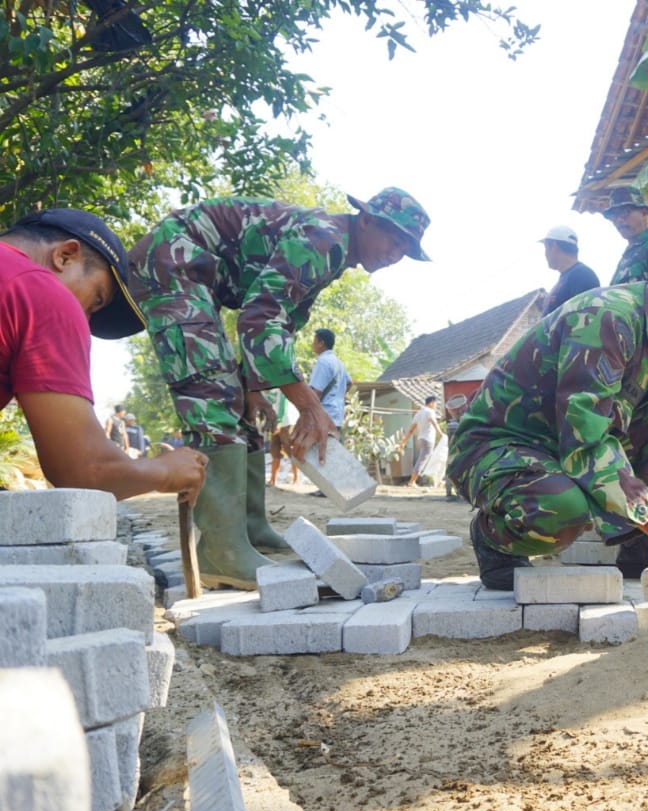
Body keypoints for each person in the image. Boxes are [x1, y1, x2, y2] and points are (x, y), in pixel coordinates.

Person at [128, 187, 429, 588]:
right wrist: (310, 406)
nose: (395, 254)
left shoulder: (333, 250)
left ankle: (249, 528)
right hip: (172, 263)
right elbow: (259, 319)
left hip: (198, 276)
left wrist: (253, 385)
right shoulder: (322, 239)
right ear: (367, 219)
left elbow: (280, 322)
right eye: (393, 239)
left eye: (404, 250)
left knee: (244, 404)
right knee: (213, 394)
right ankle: (222, 550)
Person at [447, 252, 648, 593]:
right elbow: (586, 443)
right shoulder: (607, 319)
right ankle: (494, 540)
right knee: (561, 510)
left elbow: (618, 430)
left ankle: (642, 544)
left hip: (561, 450)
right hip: (496, 448)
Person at [0, 208, 206, 502]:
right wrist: (165, 471)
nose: (83, 321)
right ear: (66, 256)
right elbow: (83, 470)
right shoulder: (40, 292)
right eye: (95, 301)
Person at [601, 186, 648, 286]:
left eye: (624, 212)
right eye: (614, 216)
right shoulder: (628, 255)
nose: (619, 220)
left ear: (643, 213)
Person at [540, 225, 600, 316]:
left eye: (545, 248)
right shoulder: (568, 277)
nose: (545, 254)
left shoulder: (582, 275)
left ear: (554, 247)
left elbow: (587, 319)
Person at [308, 328, 351, 433]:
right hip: (336, 417)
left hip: (323, 417)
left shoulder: (323, 362)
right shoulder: (339, 363)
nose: (312, 344)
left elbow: (316, 392)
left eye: (314, 341)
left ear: (321, 343)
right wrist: (337, 397)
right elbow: (349, 383)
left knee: (319, 449)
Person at [397, 395, 444, 488]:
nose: (435, 406)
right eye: (435, 404)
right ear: (431, 403)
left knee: (427, 460)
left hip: (420, 440)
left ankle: (436, 480)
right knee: (422, 460)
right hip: (428, 440)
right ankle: (411, 482)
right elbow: (434, 422)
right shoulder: (430, 412)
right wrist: (441, 434)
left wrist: (403, 442)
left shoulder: (418, 413)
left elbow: (411, 430)